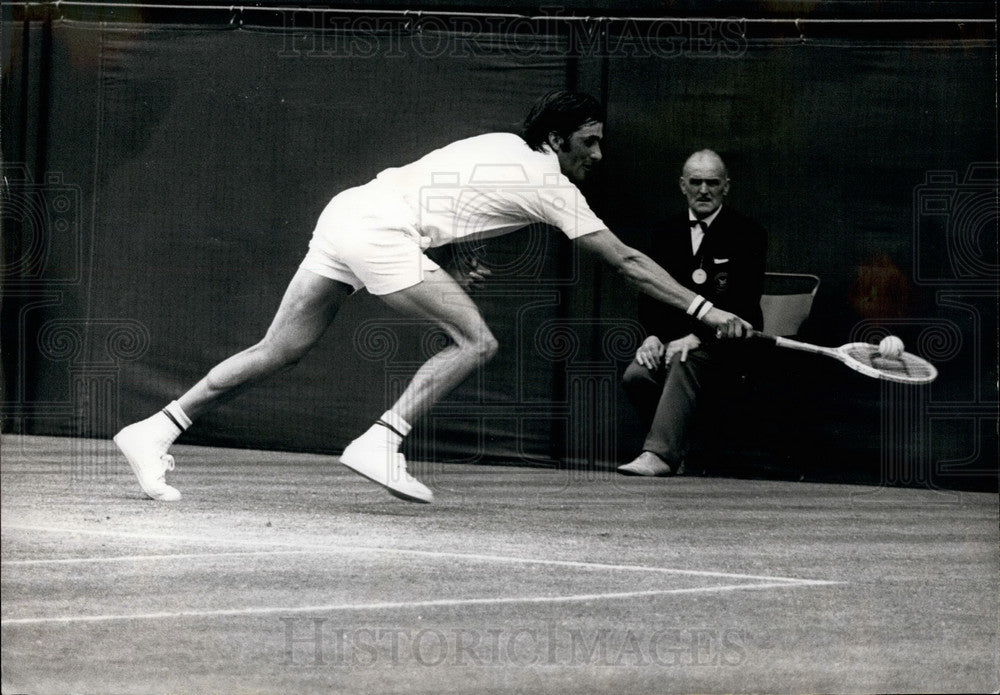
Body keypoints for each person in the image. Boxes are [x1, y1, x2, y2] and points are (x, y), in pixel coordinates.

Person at [114, 92, 752, 504]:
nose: (598, 153)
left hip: (349, 212)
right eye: (588, 141)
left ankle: (154, 429)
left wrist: (453, 254)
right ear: (558, 141)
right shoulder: (553, 187)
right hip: (381, 231)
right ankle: (382, 440)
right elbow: (628, 261)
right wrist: (705, 309)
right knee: (479, 340)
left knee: (281, 347)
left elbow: (446, 195)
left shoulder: (498, 146)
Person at [618, 149, 766, 477]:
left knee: (685, 360)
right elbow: (652, 298)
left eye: (712, 182)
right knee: (637, 375)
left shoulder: (748, 234)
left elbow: (744, 303)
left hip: (728, 346)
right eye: (695, 182)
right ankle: (682, 450)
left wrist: (696, 337)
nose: (703, 190)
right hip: (672, 343)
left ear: (726, 187)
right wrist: (653, 336)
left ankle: (659, 455)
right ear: (682, 185)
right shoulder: (664, 232)